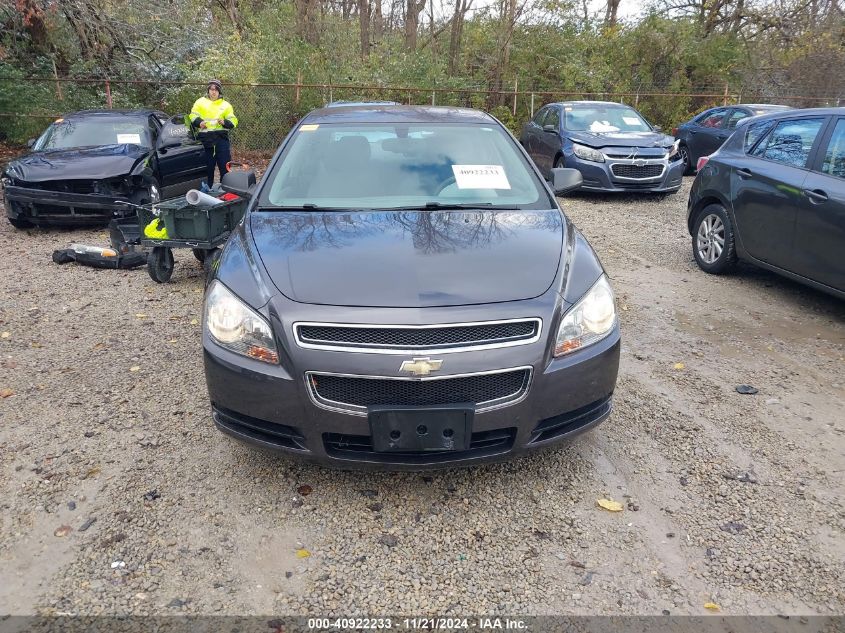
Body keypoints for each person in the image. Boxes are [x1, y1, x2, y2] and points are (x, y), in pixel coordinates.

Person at [190, 79, 238, 187]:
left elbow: (234, 121)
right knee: (207, 168)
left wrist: (225, 122)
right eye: (211, 89)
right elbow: (192, 116)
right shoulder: (200, 102)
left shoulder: (226, 105)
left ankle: (225, 189)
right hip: (205, 140)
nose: (213, 92)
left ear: (219, 92)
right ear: (208, 90)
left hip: (221, 140)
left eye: (216, 89)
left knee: (225, 166)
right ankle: (206, 190)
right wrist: (199, 122)